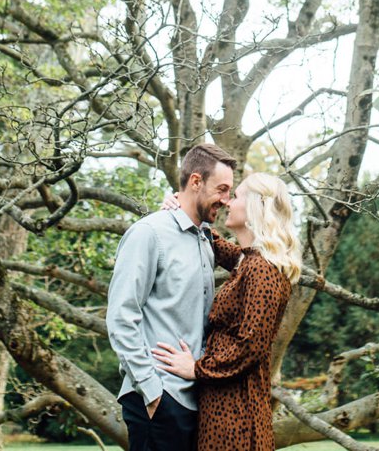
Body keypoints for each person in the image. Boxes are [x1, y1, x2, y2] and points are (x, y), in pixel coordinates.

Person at [151, 172, 302, 451]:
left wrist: (196, 368)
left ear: (257, 207)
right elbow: (222, 249)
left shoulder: (262, 270)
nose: (228, 202)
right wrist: (183, 208)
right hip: (226, 404)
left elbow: (250, 347)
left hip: (236, 415)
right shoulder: (251, 262)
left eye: (237, 196)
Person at [106, 144, 237, 451]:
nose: (226, 200)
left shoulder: (205, 239)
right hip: (160, 400)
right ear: (195, 181)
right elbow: (121, 316)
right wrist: (152, 391)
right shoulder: (149, 233)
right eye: (221, 189)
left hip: (197, 401)